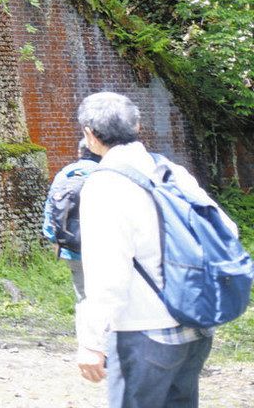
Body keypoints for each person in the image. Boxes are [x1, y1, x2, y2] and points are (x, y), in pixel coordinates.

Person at [74, 92, 218, 407]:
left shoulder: (104, 185)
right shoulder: (172, 171)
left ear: (90, 135)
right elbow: (224, 230)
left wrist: (92, 342)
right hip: (196, 324)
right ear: (137, 126)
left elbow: (107, 274)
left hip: (145, 332)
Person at [41, 138, 101, 302]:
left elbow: (51, 208)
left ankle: (86, 316)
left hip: (72, 246)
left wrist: (55, 238)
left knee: (83, 295)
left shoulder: (65, 174)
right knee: (107, 294)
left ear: (79, 153)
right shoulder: (106, 172)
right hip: (103, 246)